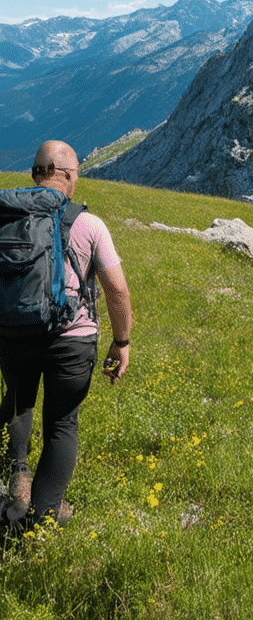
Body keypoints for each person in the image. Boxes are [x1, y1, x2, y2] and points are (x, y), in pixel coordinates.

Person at [0, 140, 132, 533]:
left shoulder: (6, 216)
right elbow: (117, 290)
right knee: (61, 425)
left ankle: (17, 473)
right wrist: (121, 342)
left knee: (20, 398)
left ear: (36, 173)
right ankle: (37, 522)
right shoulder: (88, 223)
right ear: (68, 175)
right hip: (71, 341)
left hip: (14, 333)